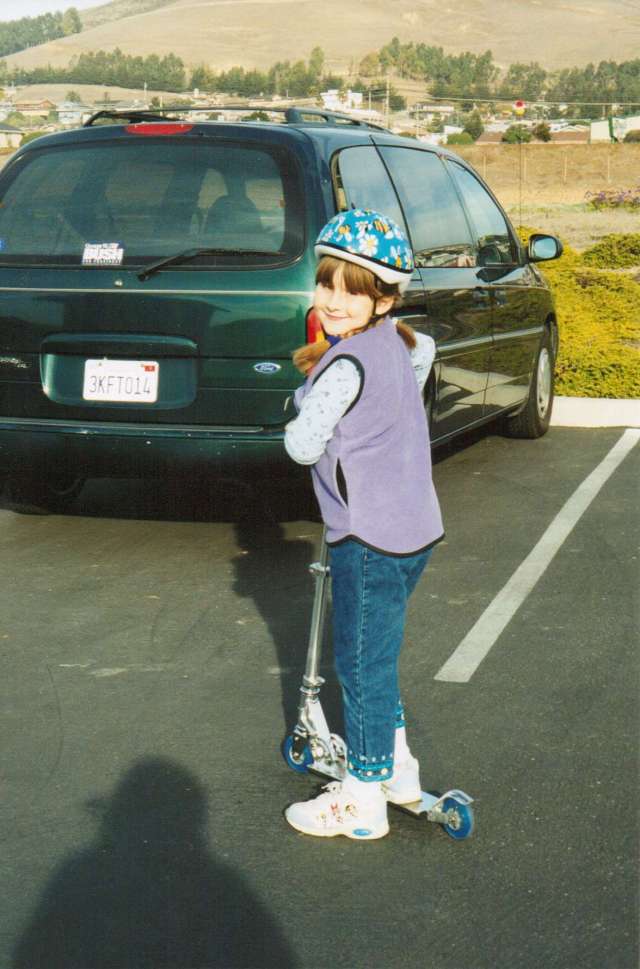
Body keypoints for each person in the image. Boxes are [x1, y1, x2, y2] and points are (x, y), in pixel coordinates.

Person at [283, 209, 444, 840]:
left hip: (368, 536)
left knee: (359, 665)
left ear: (384, 298)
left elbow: (302, 445)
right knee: (376, 656)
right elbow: (421, 359)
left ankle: (362, 798)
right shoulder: (402, 344)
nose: (333, 301)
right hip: (414, 528)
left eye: (353, 291)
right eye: (326, 283)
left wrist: (301, 406)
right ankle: (398, 772)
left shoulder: (345, 365)